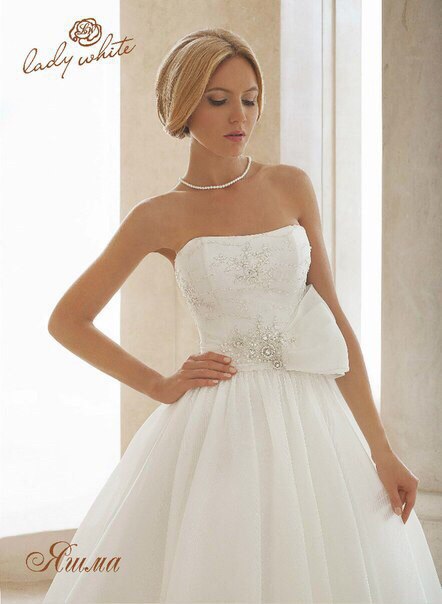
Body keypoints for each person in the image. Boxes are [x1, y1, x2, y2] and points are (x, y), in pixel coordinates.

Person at [43, 28, 441, 604]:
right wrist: (158, 384)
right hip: (222, 427)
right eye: (218, 99)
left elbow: (333, 318)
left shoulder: (289, 185)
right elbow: (68, 319)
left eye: (250, 99)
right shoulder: (159, 216)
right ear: (185, 105)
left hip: (315, 420)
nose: (240, 116)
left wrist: (380, 448)